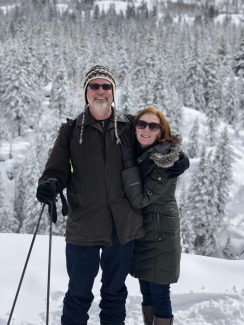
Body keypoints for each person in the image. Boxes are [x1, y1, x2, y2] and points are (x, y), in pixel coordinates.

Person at [36, 66, 189, 325]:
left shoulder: (130, 125)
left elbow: (157, 138)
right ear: (85, 92)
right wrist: (48, 185)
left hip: (122, 226)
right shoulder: (71, 130)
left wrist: (178, 157)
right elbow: (56, 170)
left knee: (114, 294)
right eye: (94, 86)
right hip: (83, 226)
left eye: (106, 86)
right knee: (78, 295)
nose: (100, 91)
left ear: (113, 92)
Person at [120, 107, 185, 325]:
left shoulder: (165, 160)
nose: (146, 130)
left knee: (159, 292)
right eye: (141, 124)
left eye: (153, 126)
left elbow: (139, 200)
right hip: (144, 231)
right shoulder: (141, 151)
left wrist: (128, 163)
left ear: (161, 131)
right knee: (146, 290)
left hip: (160, 233)